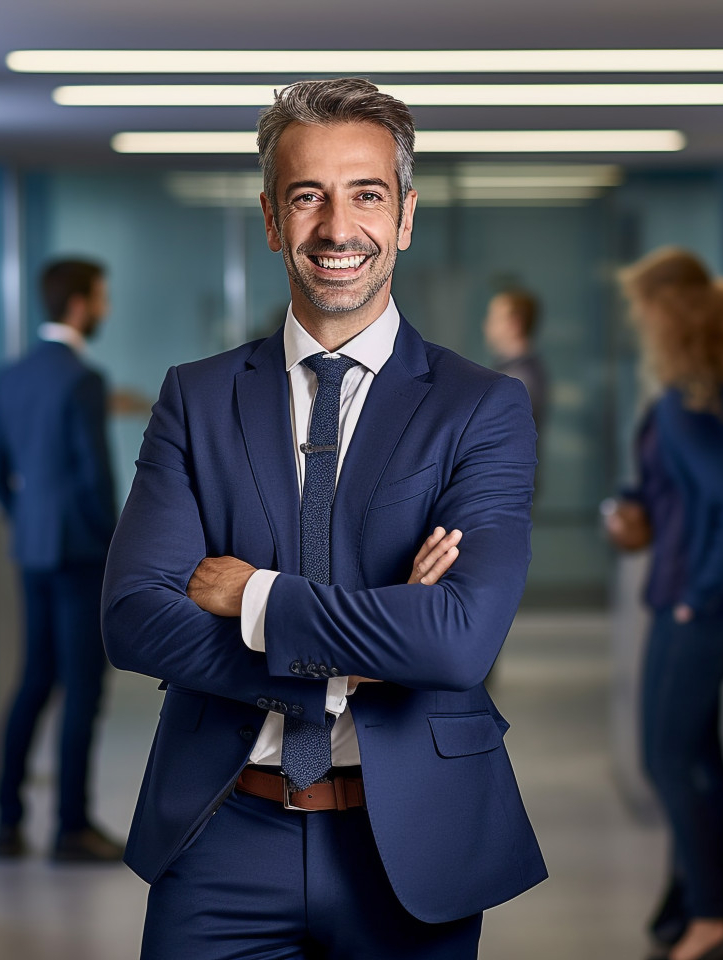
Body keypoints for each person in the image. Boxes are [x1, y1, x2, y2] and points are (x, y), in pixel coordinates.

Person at [102, 78, 546, 959]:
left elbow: (458, 640)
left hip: (412, 841)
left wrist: (255, 595)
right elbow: (134, 619)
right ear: (272, 220)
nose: (338, 228)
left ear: (406, 216)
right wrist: (364, 655)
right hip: (223, 832)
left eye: (366, 194)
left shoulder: (482, 407)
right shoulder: (198, 397)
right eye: (308, 196)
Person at [606, 248, 723, 960]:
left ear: (667, 313)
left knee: (667, 758)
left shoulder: (686, 403)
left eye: (645, 308)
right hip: (722, 597)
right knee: (701, 759)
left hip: (699, 605)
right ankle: (696, 907)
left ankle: (710, 917)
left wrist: (697, 596)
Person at [0, 258, 124, 862]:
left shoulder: (10, 375)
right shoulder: (83, 379)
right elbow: (96, 480)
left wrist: (28, 525)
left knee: (34, 681)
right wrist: (121, 545)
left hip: (34, 550)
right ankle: (71, 827)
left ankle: (7, 820)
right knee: (83, 687)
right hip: (80, 553)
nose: (106, 309)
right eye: (101, 298)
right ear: (78, 304)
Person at [484, 289, 549, 429]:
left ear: (514, 324)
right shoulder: (519, 372)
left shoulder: (518, 380)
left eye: (493, 318)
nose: (485, 326)